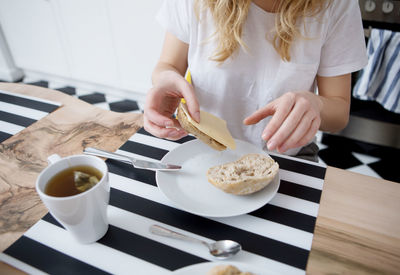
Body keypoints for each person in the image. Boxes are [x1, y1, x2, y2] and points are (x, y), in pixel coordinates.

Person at [144, 0, 367, 161]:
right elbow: (168, 66)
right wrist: (165, 80)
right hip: (200, 148)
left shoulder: (337, 5)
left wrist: (316, 104)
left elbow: (338, 114)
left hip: (288, 157)